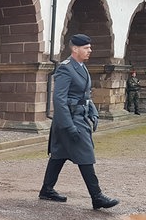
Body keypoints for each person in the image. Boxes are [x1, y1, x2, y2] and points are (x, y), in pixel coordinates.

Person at [39, 34, 119, 210]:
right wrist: (69, 126)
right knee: (85, 155)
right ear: (75, 49)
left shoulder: (81, 67)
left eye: (90, 47)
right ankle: (97, 196)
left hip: (79, 116)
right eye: (86, 48)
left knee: (59, 154)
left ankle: (46, 190)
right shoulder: (65, 68)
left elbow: (86, 96)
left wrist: (94, 113)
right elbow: (59, 100)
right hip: (70, 119)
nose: (90, 50)